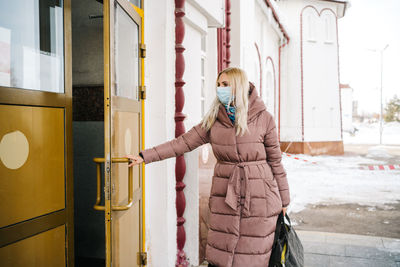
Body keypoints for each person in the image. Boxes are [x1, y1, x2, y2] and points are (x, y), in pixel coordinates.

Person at [126, 67, 290, 267]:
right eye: (218, 85)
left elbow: (275, 161)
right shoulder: (214, 119)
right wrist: (145, 156)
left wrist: (284, 199)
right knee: (223, 249)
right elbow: (183, 143)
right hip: (226, 193)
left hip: (259, 196)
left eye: (225, 85)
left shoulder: (264, 118)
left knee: (252, 254)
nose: (220, 89)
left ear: (238, 86)